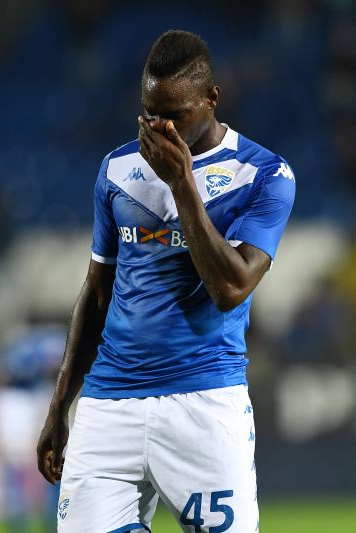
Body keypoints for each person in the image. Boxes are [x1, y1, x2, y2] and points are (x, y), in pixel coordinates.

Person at [36, 29, 295, 532]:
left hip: (202, 402)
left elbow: (231, 288)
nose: (161, 129)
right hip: (110, 402)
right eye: (150, 113)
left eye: (176, 115)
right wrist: (60, 404)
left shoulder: (263, 175)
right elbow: (97, 292)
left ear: (212, 98)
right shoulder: (117, 169)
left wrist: (181, 183)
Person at [0, 322, 64, 533]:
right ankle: (45, 521)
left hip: (24, 400)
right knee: (47, 461)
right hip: (31, 398)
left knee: (22, 467)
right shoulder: (52, 339)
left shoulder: (16, 343)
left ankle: (37, 521)